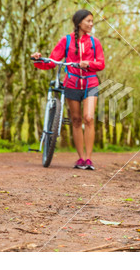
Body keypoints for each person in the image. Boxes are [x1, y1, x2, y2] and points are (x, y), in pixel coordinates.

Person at [31, 9, 105, 170]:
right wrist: (37, 60)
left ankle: (89, 159)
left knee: (89, 118)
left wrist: (89, 64)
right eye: (88, 21)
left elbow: (101, 63)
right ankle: (80, 159)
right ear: (79, 22)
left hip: (90, 84)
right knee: (77, 121)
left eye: (92, 21)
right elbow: (51, 62)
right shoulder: (66, 41)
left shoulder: (95, 42)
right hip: (71, 84)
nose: (91, 24)